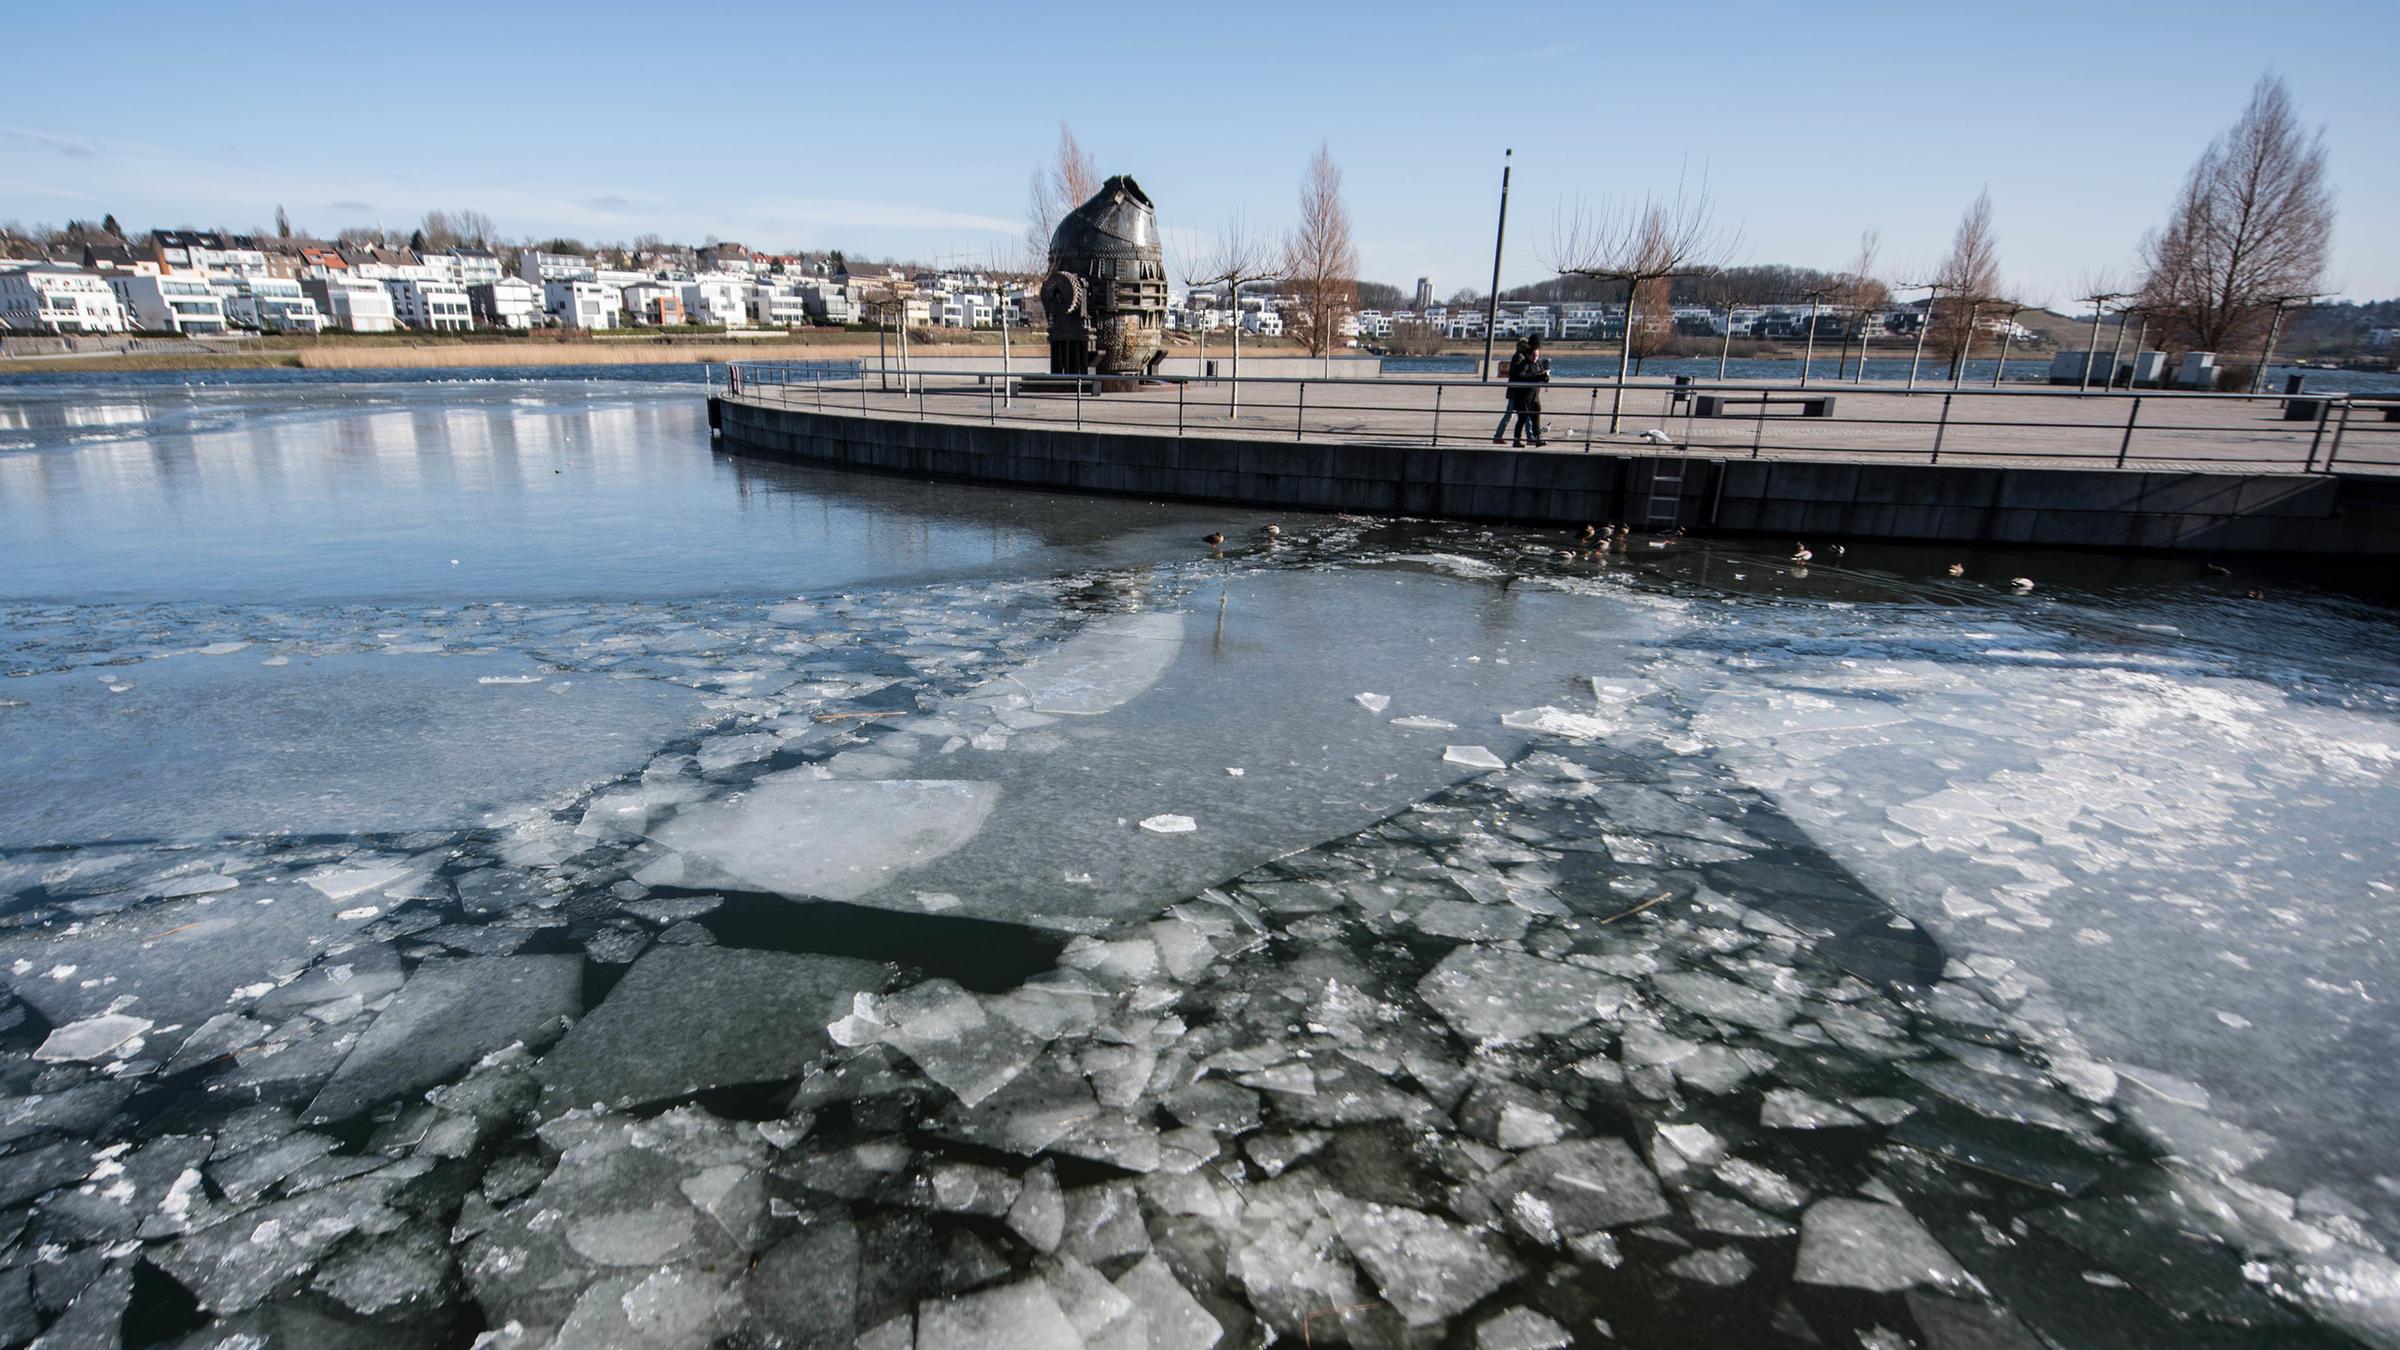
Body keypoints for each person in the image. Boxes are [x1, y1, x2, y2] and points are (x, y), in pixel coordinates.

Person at [1496, 335, 1550, 446]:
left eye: (1537, 355)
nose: (1536, 357)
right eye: (1534, 354)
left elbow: (1536, 374)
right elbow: (1520, 376)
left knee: (1532, 417)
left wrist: (1544, 376)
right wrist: (1538, 377)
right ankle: (1510, 438)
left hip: (1532, 394)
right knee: (1520, 417)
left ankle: (1534, 438)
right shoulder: (1523, 361)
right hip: (1521, 394)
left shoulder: (1535, 363)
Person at [1493, 338, 1531, 444]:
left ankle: (1498, 435)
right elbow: (1518, 374)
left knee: (1515, 414)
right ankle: (1530, 437)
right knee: (1521, 414)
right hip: (1516, 392)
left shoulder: (1519, 356)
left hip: (1515, 391)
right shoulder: (1519, 357)